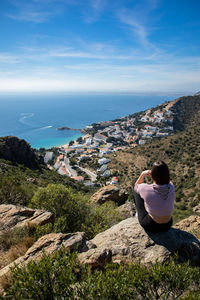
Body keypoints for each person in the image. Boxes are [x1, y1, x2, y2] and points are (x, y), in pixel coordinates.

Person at [134, 160, 175, 233]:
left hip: (151, 225)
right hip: (168, 224)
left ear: (152, 174)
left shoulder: (145, 189)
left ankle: (139, 213)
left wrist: (142, 174)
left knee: (136, 192)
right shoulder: (171, 186)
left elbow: (136, 186)